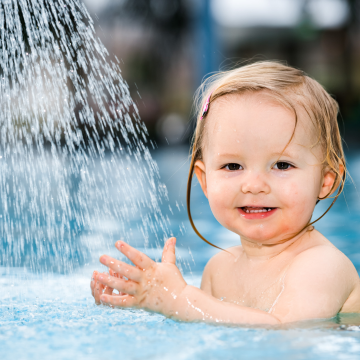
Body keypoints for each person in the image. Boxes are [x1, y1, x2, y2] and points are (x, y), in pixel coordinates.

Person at [90, 61, 360, 325]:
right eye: (233, 166)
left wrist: (181, 299)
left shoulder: (322, 265)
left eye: (281, 165)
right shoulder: (217, 271)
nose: (254, 185)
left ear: (326, 181)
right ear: (205, 180)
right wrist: (146, 299)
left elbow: (284, 329)